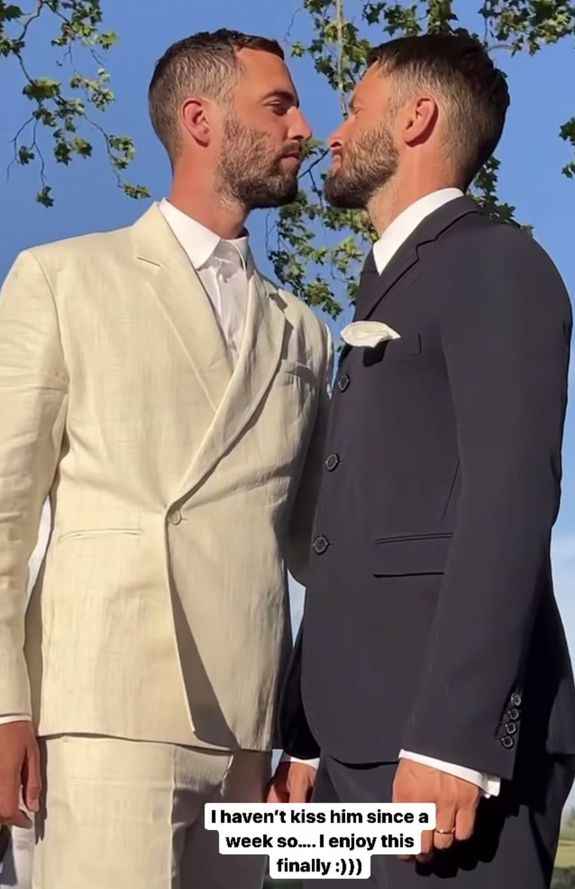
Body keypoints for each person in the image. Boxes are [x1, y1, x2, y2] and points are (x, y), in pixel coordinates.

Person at [0, 28, 332, 889]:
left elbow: (320, 545)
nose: (305, 127)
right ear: (200, 120)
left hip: (251, 725)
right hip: (103, 705)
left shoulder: (304, 331)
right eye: (279, 105)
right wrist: (3, 706)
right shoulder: (62, 277)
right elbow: (4, 515)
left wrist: (315, 728)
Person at [273, 30, 575, 888]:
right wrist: (305, 736)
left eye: (353, 109)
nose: (331, 134)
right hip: (346, 751)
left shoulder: (497, 263)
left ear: (416, 118)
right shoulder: (387, 286)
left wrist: (455, 739)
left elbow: (510, 502)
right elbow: (346, 531)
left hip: (440, 757)